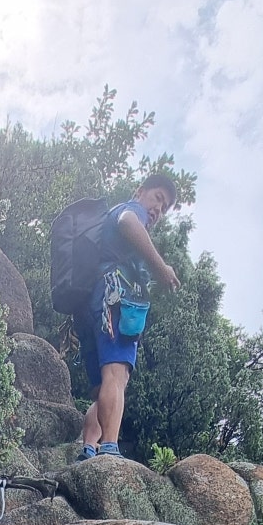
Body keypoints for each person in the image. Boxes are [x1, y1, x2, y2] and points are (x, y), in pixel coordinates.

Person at [77, 170, 180, 461]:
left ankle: (89, 446)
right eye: (158, 198)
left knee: (104, 385)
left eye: (165, 208)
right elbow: (128, 223)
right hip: (114, 297)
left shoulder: (108, 225)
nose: (158, 209)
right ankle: (109, 448)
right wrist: (161, 268)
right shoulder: (130, 210)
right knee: (116, 374)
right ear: (140, 192)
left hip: (92, 302)